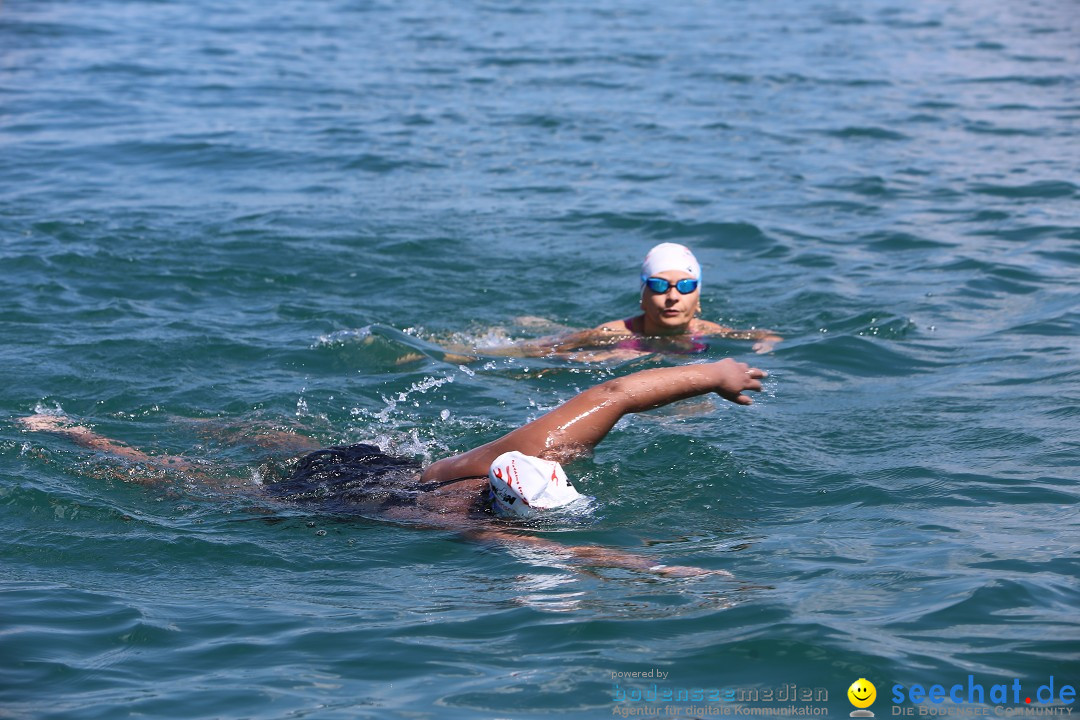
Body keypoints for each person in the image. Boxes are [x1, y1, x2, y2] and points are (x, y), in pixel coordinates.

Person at [18, 358, 767, 577]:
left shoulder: (526, 452)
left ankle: (95, 430)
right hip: (334, 503)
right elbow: (596, 557)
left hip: (372, 467)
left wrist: (716, 374)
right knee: (196, 489)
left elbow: (615, 390)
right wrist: (666, 574)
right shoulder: (486, 526)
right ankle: (82, 438)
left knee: (283, 446)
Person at [467, 243, 781, 363]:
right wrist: (474, 354)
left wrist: (766, 343)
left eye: (685, 286)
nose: (672, 296)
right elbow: (544, 350)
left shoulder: (709, 330)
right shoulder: (613, 334)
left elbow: (766, 334)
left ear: (697, 298)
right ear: (643, 295)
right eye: (659, 285)